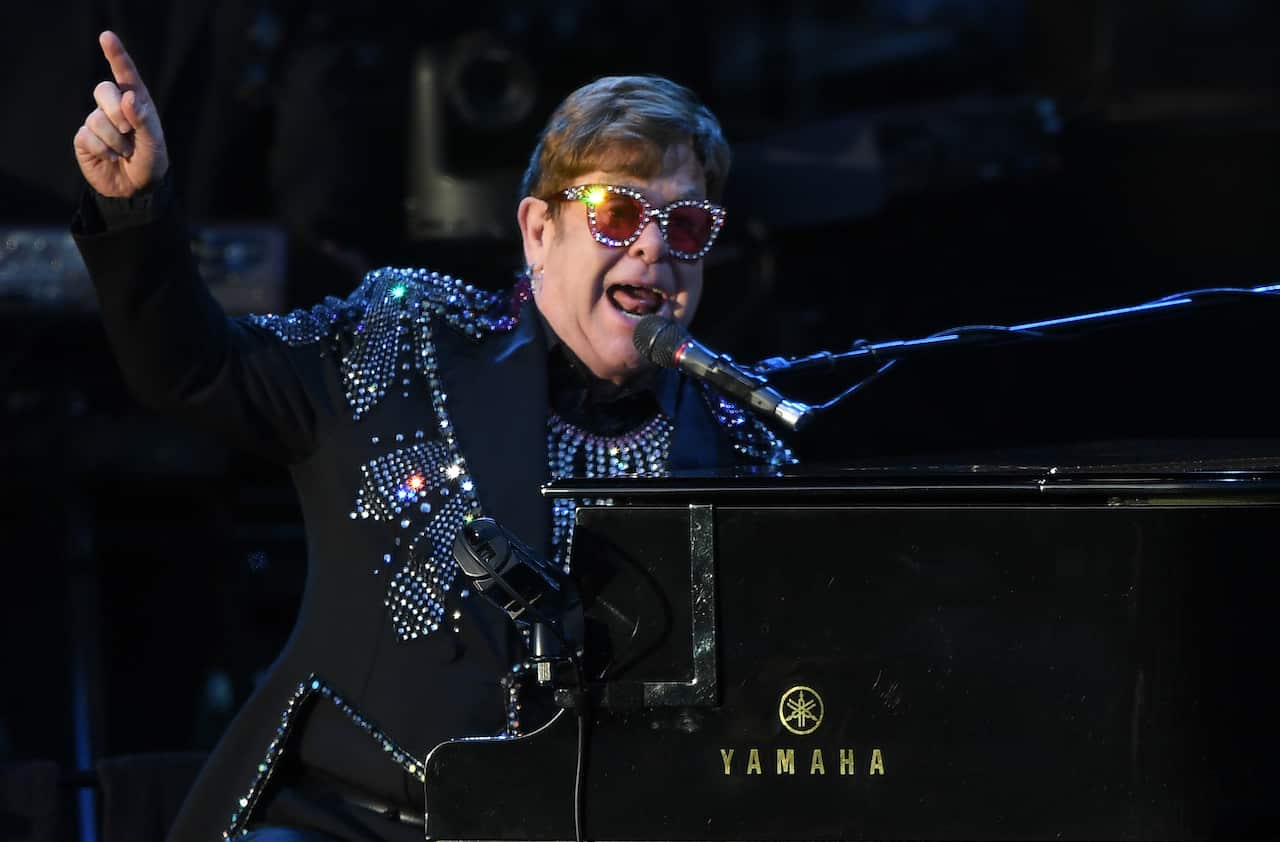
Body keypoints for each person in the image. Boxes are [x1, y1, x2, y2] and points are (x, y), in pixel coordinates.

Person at [72, 29, 793, 841]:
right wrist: (136, 209)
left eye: (686, 226)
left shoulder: (742, 447)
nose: (654, 247)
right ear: (538, 231)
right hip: (347, 824)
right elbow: (197, 370)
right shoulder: (403, 344)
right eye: (617, 213)